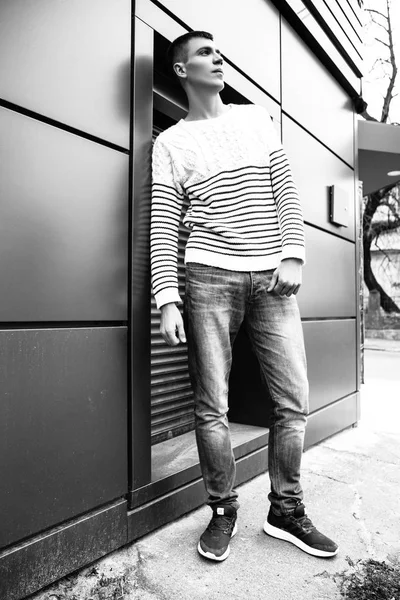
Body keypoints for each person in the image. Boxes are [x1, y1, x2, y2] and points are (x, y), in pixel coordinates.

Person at [150, 30, 338, 562]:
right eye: (205, 53)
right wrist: (167, 299)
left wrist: (293, 252)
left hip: (272, 277)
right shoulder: (171, 143)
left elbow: (284, 187)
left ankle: (286, 509)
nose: (218, 58)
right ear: (182, 70)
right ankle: (222, 510)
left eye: (219, 51)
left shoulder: (255, 118)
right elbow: (165, 222)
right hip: (207, 277)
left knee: (292, 400)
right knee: (213, 405)